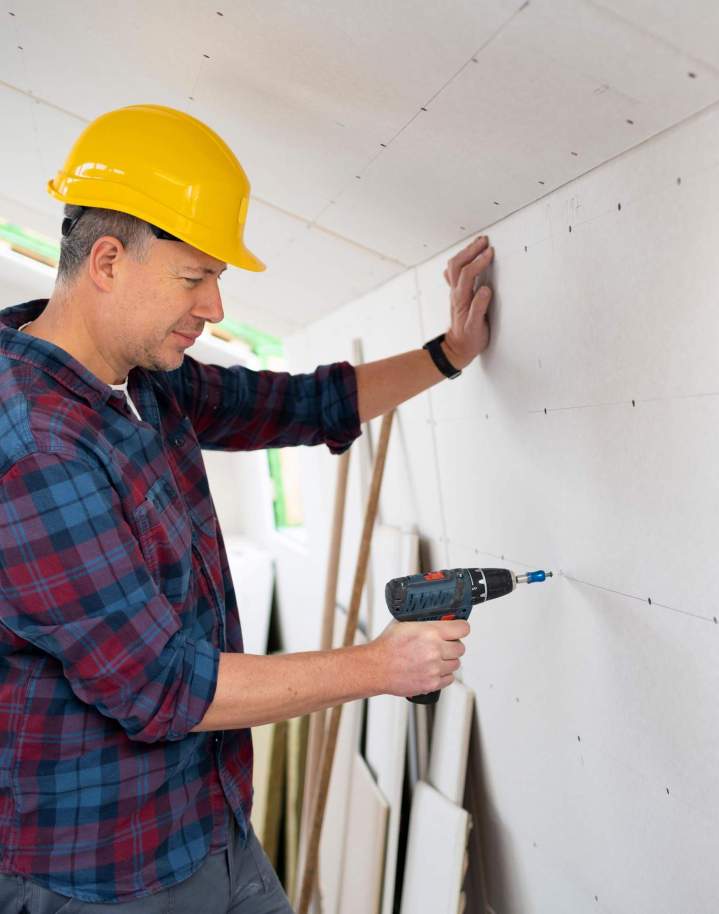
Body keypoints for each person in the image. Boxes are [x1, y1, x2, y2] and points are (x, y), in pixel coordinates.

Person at [0, 104, 494, 913]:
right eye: (195, 277)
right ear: (108, 261)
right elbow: (162, 686)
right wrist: (381, 667)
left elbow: (296, 404)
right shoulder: (33, 446)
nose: (215, 308)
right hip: (103, 872)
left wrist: (447, 355)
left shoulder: (139, 378)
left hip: (209, 821)